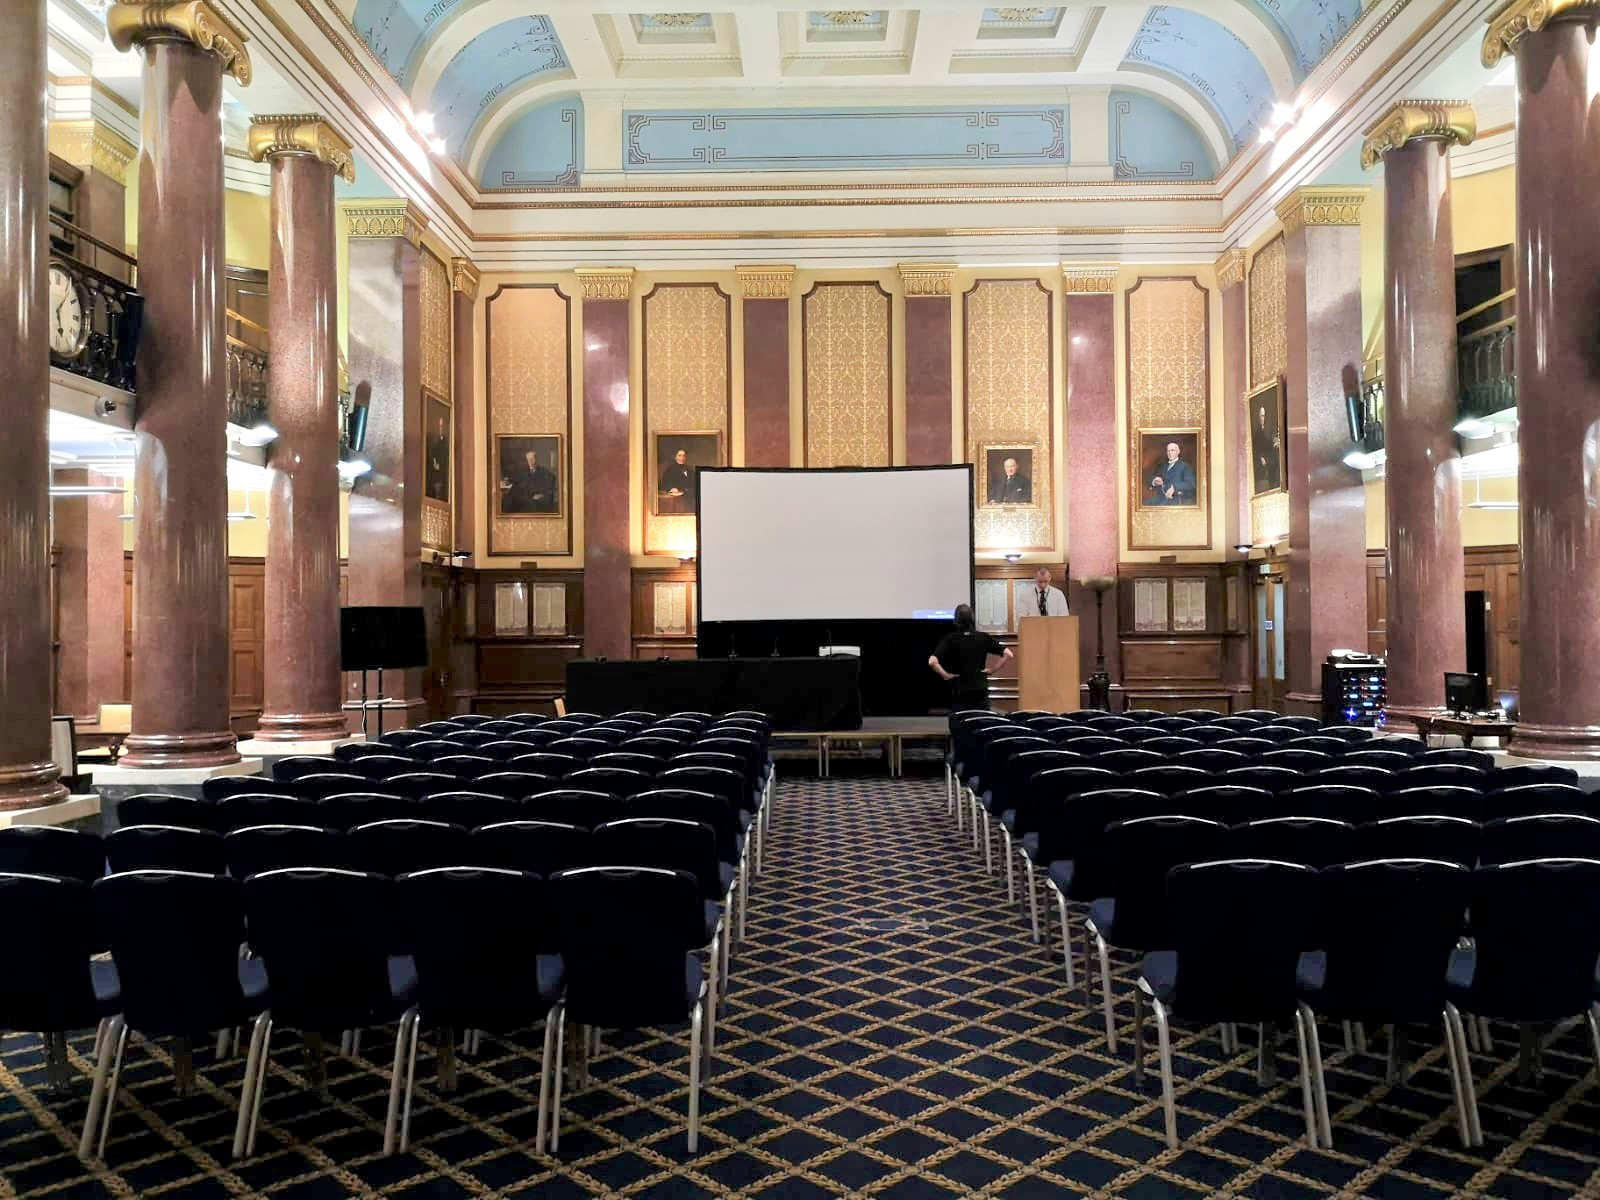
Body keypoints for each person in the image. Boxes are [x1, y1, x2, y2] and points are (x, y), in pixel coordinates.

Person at [929, 604, 1014, 711]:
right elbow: (1009, 654)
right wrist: (992, 669)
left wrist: (945, 675)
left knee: (962, 723)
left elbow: (932, 662)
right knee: (981, 722)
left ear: (956, 620)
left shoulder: (950, 639)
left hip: (960, 691)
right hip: (980, 690)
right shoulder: (983, 637)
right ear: (972, 619)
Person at [501, 446, 558, 514]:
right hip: (526, 499)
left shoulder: (545, 472)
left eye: (532, 459)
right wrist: (508, 481)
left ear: (537, 459)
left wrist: (541, 495)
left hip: (536, 501)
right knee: (508, 499)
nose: (530, 461)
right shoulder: (523, 471)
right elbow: (516, 479)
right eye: (528, 459)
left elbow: (549, 488)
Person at [1147, 440, 1196, 506]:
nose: (1170, 453)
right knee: (1145, 504)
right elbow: (1151, 478)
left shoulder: (1185, 466)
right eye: (1168, 451)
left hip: (1176, 499)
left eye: (1172, 450)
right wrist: (1155, 481)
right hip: (1160, 498)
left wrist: (1174, 487)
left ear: (1178, 452)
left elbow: (1191, 484)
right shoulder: (1163, 466)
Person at [658, 448, 696, 515]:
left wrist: (686, 491)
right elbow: (664, 484)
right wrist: (671, 488)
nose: (682, 458)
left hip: (689, 496)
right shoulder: (670, 470)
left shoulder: (690, 469)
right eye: (679, 455)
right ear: (675, 457)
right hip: (678, 499)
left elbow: (694, 483)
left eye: (684, 456)